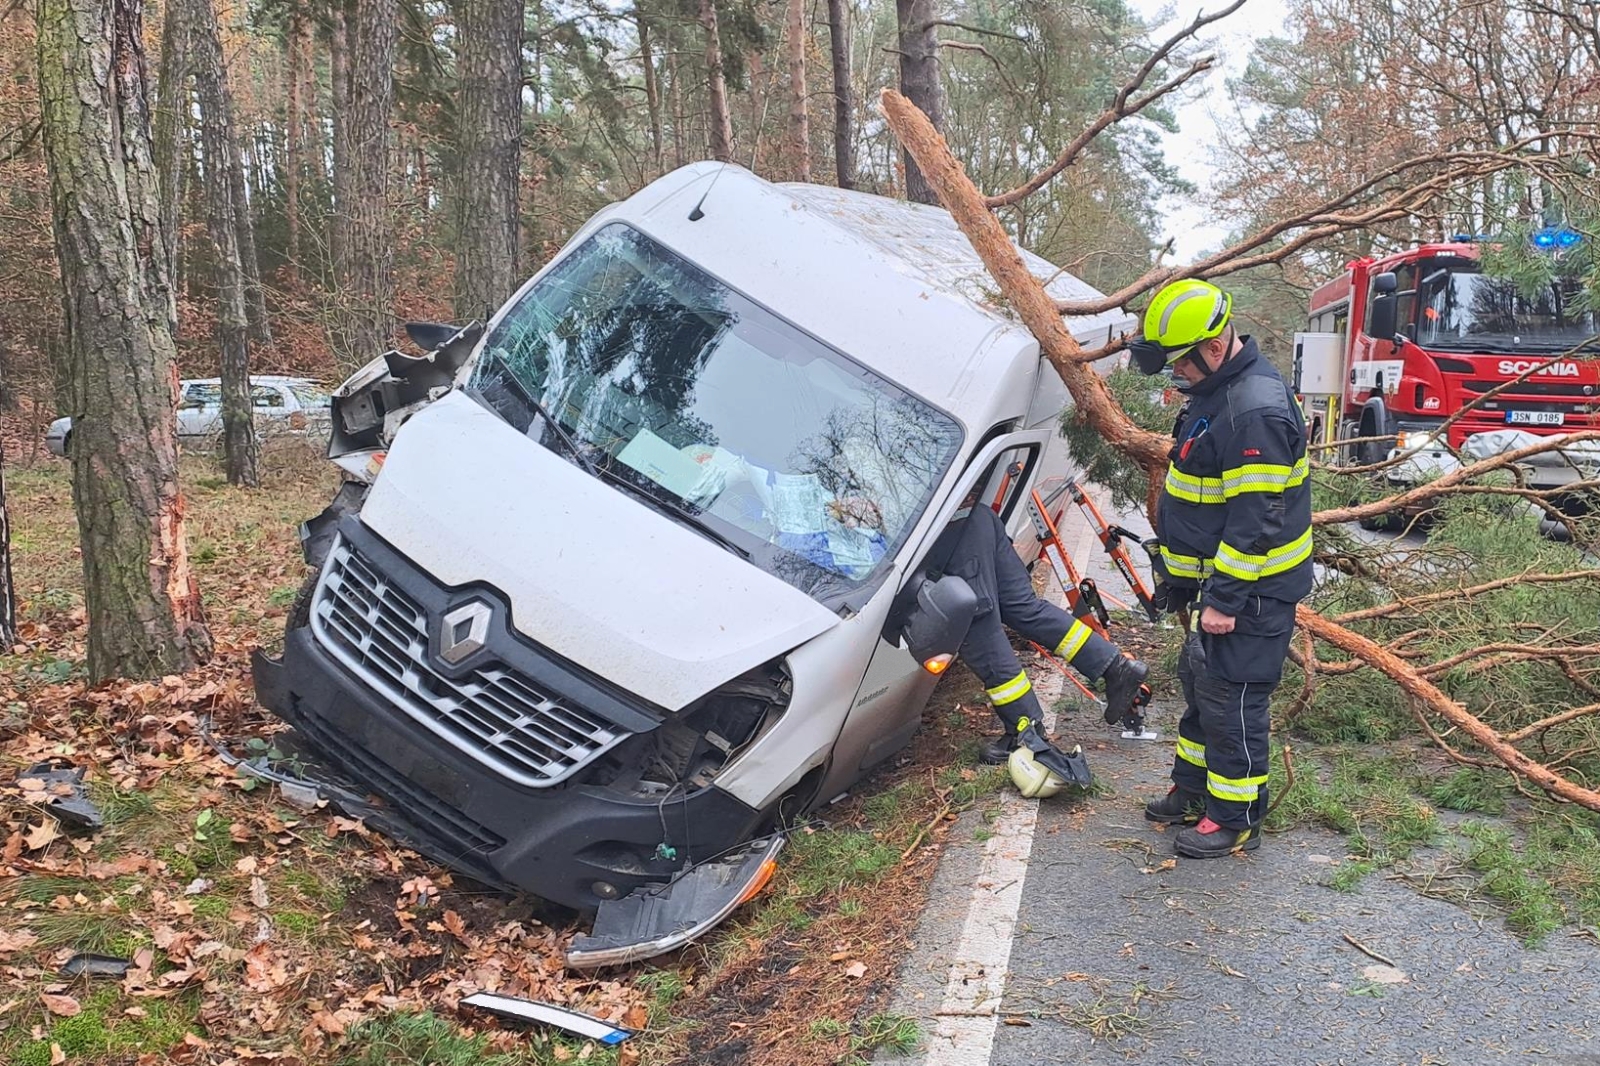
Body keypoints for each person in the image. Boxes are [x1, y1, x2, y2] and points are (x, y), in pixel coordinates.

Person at [1128, 279, 1314, 859]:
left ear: (1212, 347)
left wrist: (1224, 600)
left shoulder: (1252, 411)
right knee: (1201, 688)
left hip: (1248, 595)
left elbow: (1254, 520)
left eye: (1178, 363)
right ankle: (1191, 791)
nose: (1173, 375)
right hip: (1212, 587)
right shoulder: (1216, 393)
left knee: (1233, 703)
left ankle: (1233, 819)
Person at [931, 494, 1150, 765]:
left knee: (981, 634)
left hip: (950, 534)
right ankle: (1115, 667)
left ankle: (1025, 733)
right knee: (1024, 608)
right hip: (977, 518)